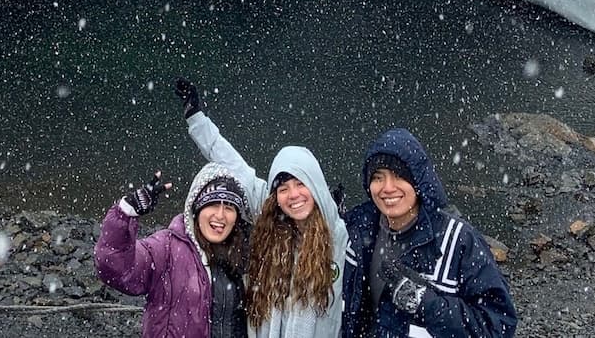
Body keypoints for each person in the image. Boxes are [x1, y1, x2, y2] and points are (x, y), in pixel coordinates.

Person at [175, 78, 347, 338]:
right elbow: (232, 165)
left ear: (316, 185)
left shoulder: (339, 234)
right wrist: (197, 120)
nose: (293, 195)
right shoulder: (271, 220)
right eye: (283, 188)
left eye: (301, 184)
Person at [341, 128, 517, 338]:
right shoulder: (357, 230)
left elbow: (498, 326)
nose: (387, 188)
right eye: (378, 177)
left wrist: (424, 302)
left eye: (398, 176)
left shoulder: (458, 240)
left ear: (418, 180)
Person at [95, 162, 252, 338]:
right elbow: (116, 269)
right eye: (213, 204)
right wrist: (125, 212)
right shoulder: (167, 248)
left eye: (229, 207)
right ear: (196, 208)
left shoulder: (243, 257)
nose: (220, 215)